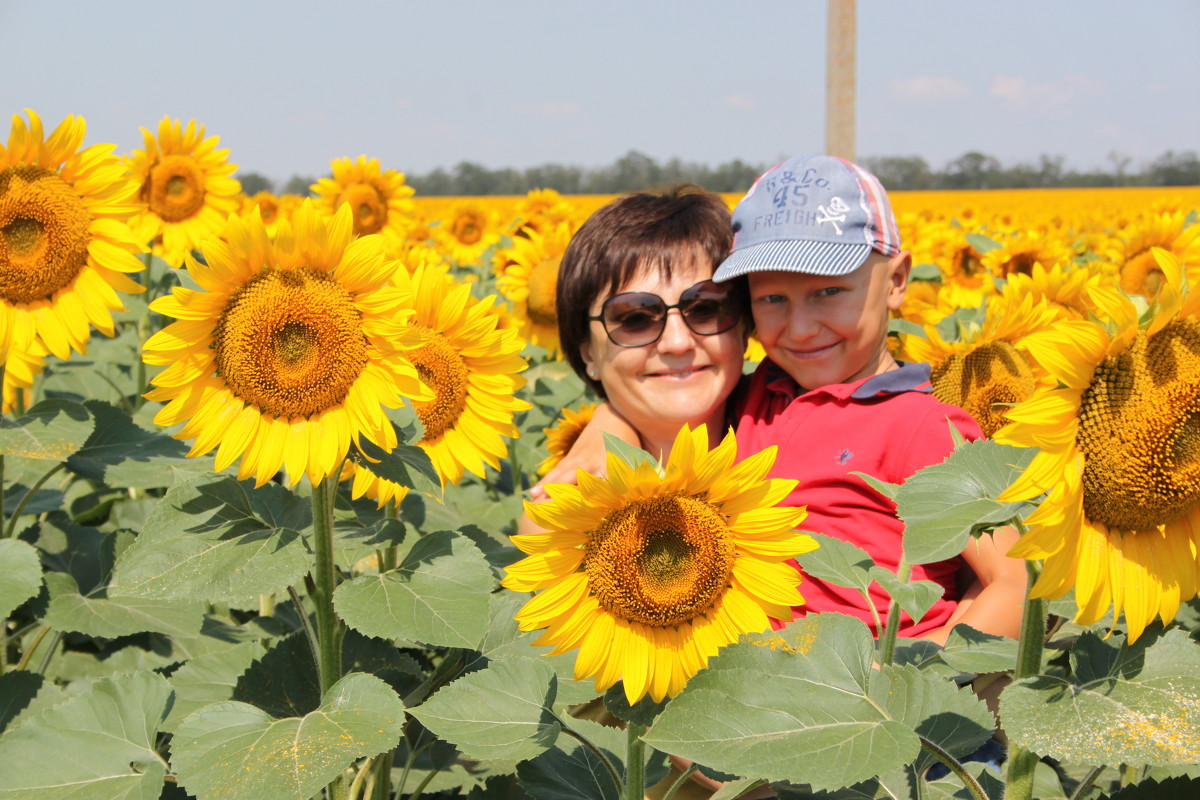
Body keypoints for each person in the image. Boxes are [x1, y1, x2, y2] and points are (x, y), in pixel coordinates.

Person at [538, 155, 1027, 644]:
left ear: (897, 281)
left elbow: (1016, 582)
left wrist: (908, 678)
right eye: (772, 299)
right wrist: (608, 427)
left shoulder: (925, 426)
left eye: (829, 291)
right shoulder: (757, 397)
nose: (800, 327)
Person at [519, 185, 748, 535]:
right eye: (635, 318)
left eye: (705, 308)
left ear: (745, 326)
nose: (677, 342)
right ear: (586, 352)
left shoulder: (802, 438)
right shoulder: (565, 521)